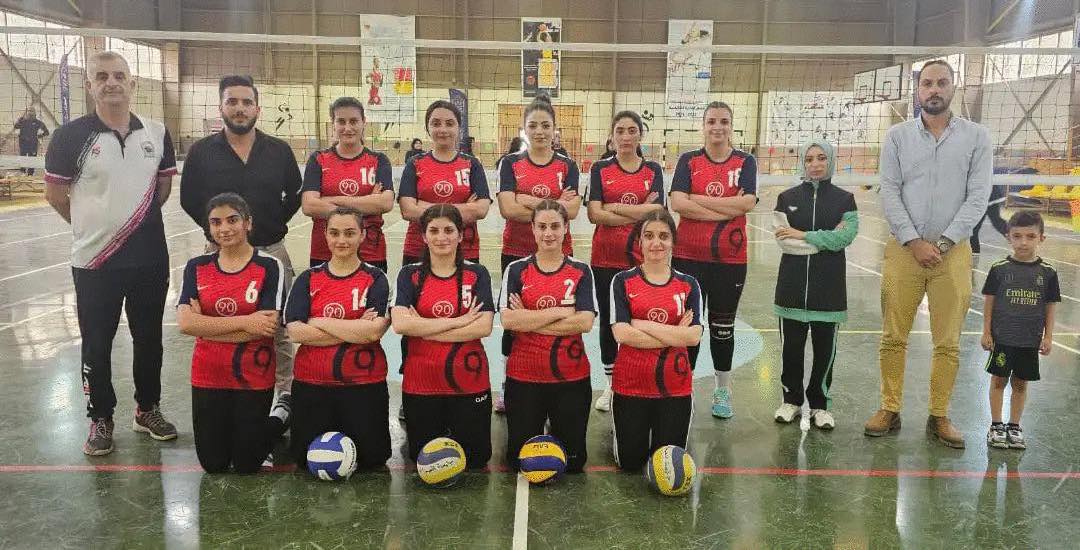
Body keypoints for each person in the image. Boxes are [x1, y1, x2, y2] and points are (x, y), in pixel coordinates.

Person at [44, 51, 178, 456]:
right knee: (96, 344)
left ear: (132, 83)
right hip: (94, 262)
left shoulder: (157, 132)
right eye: (101, 76)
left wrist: (131, 227)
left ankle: (147, 409)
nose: (111, 82)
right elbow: (55, 195)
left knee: (149, 339)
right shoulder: (69, 136)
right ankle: (100, 417)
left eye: (119, 75)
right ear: (90, 85)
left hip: (150, 259)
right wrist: (95, 229)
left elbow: (163, 189)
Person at [865, 60, 992, 448]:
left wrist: (943, 243)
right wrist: (914, 241)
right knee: (893, 336)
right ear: (918, 90)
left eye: (942, 83)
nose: (934, 89)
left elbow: (978, 197)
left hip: (953, 254)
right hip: (904, 251)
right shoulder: (897, 137)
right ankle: (890, 407)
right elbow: (889, 191)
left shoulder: (977, 137)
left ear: (954, 87)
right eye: (927, 84)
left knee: (948, 341)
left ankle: (940, 415)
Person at [180, 74, 302, 407]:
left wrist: (271, 223)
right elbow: (189, 198)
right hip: (220, 256)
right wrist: (219, 233)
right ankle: (226, 387)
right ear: (220, 107)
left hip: (271, 250)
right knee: (219, 320)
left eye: (247, 102)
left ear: (257, 109)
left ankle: (285, 393)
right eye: (232, 101)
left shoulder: (278, 150)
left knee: (280, 326)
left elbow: (294, 195)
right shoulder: (201, 152)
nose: (240, 108)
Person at [176, 193, 290, 473]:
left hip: (252, 374)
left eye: (232, 220)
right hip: (208, 373)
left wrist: (206, 326)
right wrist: (246, 321)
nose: (224, 228)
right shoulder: (197, 267)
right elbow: (186, 324)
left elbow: (265, 328)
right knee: (213, 465)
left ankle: (281, 416)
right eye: (216, 222)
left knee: (246, 465)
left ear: (247, 223)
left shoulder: (268, 266)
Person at [669, 101, 758, 419]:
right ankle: (685, 387)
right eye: (711, 121)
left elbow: (746, 204)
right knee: (687, 326)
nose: (717, 127)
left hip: (729, 260)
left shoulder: (745, 161)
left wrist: (697, 200)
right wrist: (725, 207)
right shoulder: (688, 160)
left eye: (723, 121)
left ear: (731, 126)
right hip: (688, 257)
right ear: (703, 126)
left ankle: (723, 390)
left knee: (723, 328)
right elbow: (678, 203)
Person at [285, 207, 392, 469]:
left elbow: (372, 332)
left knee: (372, 461)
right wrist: (354, 327)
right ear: (325, 235)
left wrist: (317, 320)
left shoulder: (376, 278)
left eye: (349, 233)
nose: (341, 240)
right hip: (312, 385)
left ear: (362, 235)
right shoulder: (308, 279)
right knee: (305, 460)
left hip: (363, 385)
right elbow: (295, 332)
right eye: (334, 233)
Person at [494, 93, 581, 413]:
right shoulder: (510, 164)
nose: (540, 131)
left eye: (546, 125)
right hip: (517, 252)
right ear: (524, 129)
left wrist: (525, 198)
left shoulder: (567, 166)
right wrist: (554, 204)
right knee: (515, 320)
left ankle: (553, 381)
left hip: (559, 255)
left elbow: (572, 212)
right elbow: (507, 208)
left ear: (554, 129)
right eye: (533, 125)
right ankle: (509, 384)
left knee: (558, 314)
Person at [391, 204, 496, 468]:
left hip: (469, 381)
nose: (441, 237)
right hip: (421, 383)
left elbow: (483, 327)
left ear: (460, 235)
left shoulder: (477, 274)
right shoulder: (409, 274)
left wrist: (423, 326)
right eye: (434, 231)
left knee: (476, 459)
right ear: (423, 236)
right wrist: (459, 321)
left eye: (449, 230)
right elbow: (401, 325)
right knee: (421, 459)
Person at [500, 200, 596, 471]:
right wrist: (561, 312)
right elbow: (509, 320)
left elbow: (585, 322)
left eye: (555, 226)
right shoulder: (516, 270)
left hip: (571, 377)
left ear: (566, 228)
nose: (548, 233)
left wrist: (529, 319)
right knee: (518, 460)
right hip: (524, 377)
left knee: (574, 463)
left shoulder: (581, 271)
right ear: (532, 229)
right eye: (542, 226)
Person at [771, 140, 858, 429]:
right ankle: (791, 400)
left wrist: (803, 234)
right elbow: (785, 242)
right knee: (791, 352)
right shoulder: (786, 198)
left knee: (825, 354)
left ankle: (820, 406)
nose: (816, 164)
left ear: (830, 160)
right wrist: (825, 240)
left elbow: (845, 238)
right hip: (791, 289)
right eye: (809, 159)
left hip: (829, 291)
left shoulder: (845, 200)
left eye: (821, 158)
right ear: (803, 163)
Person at [609, 209, 703, 471]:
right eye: (649, 236)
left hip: (674, 388)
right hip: (631, 385)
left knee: (669, 464)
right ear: (639, 241)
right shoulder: (622, 281)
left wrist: (642, 324)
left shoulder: (688, 284)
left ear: (673, 241)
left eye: (663, 236)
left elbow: (693, 336)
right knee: (630, 464)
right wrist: (674, 334)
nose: (656, 242)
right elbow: (622, 334)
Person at [588, 110, 665, 413]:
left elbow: (657, 212)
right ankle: (610, 384)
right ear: (612, 136)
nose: (626, 136)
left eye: (632, 130)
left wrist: (614, 207)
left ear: (640, 135)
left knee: (641, 320)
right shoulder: (600, 168)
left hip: (642, 259)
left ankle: (637, 378)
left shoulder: (653, 169)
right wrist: (639, 210)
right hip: (605, 258)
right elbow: (594, 214)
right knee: (609, 322)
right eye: (620, 130)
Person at [981, 211, 1059, 450]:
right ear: (1008, 237)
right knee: (998, 381)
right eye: (1017, 236)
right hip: (1003, 339)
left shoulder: (1048, 273)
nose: (1023, 242)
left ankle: (1014, 426)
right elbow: (989, 302)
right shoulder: (999, 269)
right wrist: (986, 332)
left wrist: (1048, 336)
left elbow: (1050, 306)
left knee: (1021, 384)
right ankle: (996, 425)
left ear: (1041, 238)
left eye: (1030, 236)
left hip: (1029, 341)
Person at [300, 97, 394, 271]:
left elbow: (385, 203)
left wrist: (329, 199)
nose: (348, 128)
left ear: (364, 122)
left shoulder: (378, 160)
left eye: (354, 121)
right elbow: (309, 205)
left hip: (370, 253)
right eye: (341, 121)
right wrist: (367, 201)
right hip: (325, 252)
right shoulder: (318, 159)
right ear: (333, 124)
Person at [398, 100, 490, 266]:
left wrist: (423, 205)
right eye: (436, 123)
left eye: (449, 123)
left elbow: (481, 210)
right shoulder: (415, 163)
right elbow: (408, 210)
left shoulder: (472, 164)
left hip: (464, 249)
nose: (443, 129)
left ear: (458, 128)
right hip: (419, 249)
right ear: (427, 128)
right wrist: (464, 207)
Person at [14, 107, 48, 175]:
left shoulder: (38, 123)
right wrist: (18, 121)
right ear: (27, 113)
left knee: (32, 158)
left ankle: (30, 173)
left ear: (35, 113)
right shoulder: (22, 121)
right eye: (29, 111)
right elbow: (16, 127)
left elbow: (47, 132)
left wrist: (40, 135)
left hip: (33, 144)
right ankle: (22, 172)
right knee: (23, 157)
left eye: (32, 111)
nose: (30, 112)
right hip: (23, 143)